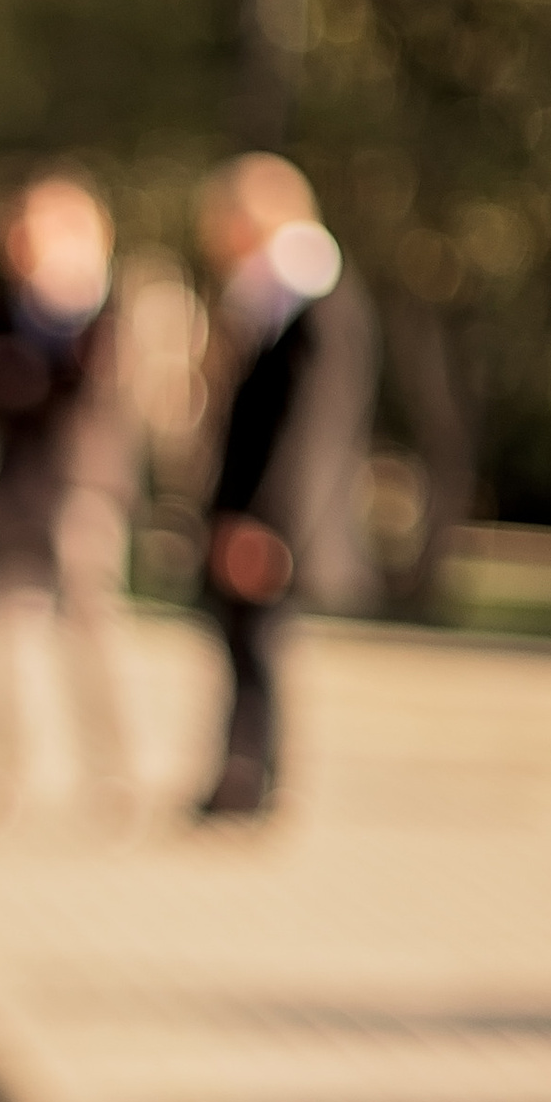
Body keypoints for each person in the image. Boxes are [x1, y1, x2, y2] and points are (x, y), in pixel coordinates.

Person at [192, 152, 378, 820]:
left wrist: (268, 523)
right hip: (248, 509)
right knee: (240, 648)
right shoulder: (267, 294)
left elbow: (309, 432)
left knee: (263, 651)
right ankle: (237, 774)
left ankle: (254, 779)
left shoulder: (314, 298)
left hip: (275, 518)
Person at [0, 169, 135, 811]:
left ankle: (110, 770)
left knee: (92, 635)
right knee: (3, 636)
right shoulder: (1, 306)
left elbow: (96, 399)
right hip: (15, 491)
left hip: (82, 495)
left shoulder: (103, 308)